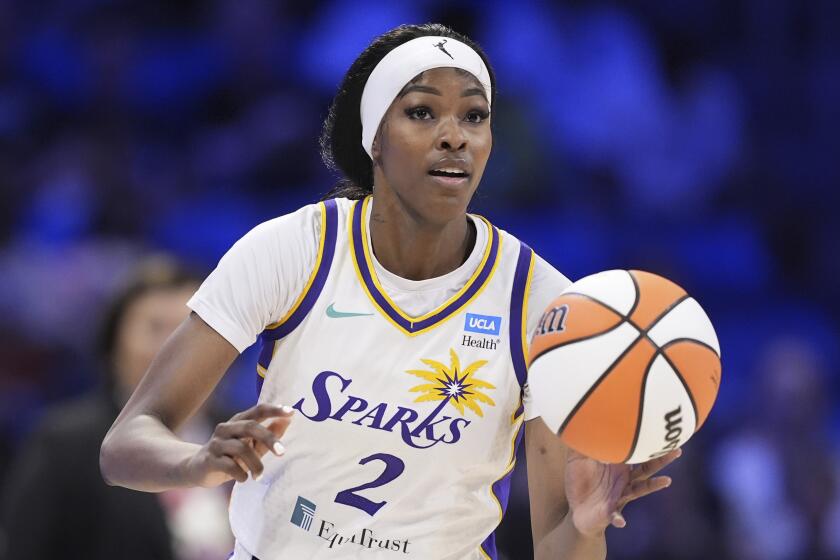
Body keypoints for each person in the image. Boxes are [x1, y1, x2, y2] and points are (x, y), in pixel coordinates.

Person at [99, 23, 680, 560]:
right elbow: (126, 442)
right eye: (423, 113)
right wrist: (197, 462)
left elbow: (557, 545)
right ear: (374, 136)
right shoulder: (295, 250)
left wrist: (585, 524)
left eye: (474, 117)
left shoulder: (543, 306)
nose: (454, 136)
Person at [1, 257, 233, 560]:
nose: (174, 348)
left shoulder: (241, 431)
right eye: (156, 327)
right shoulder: (65, 443)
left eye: (188, 330)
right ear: (114, 343)